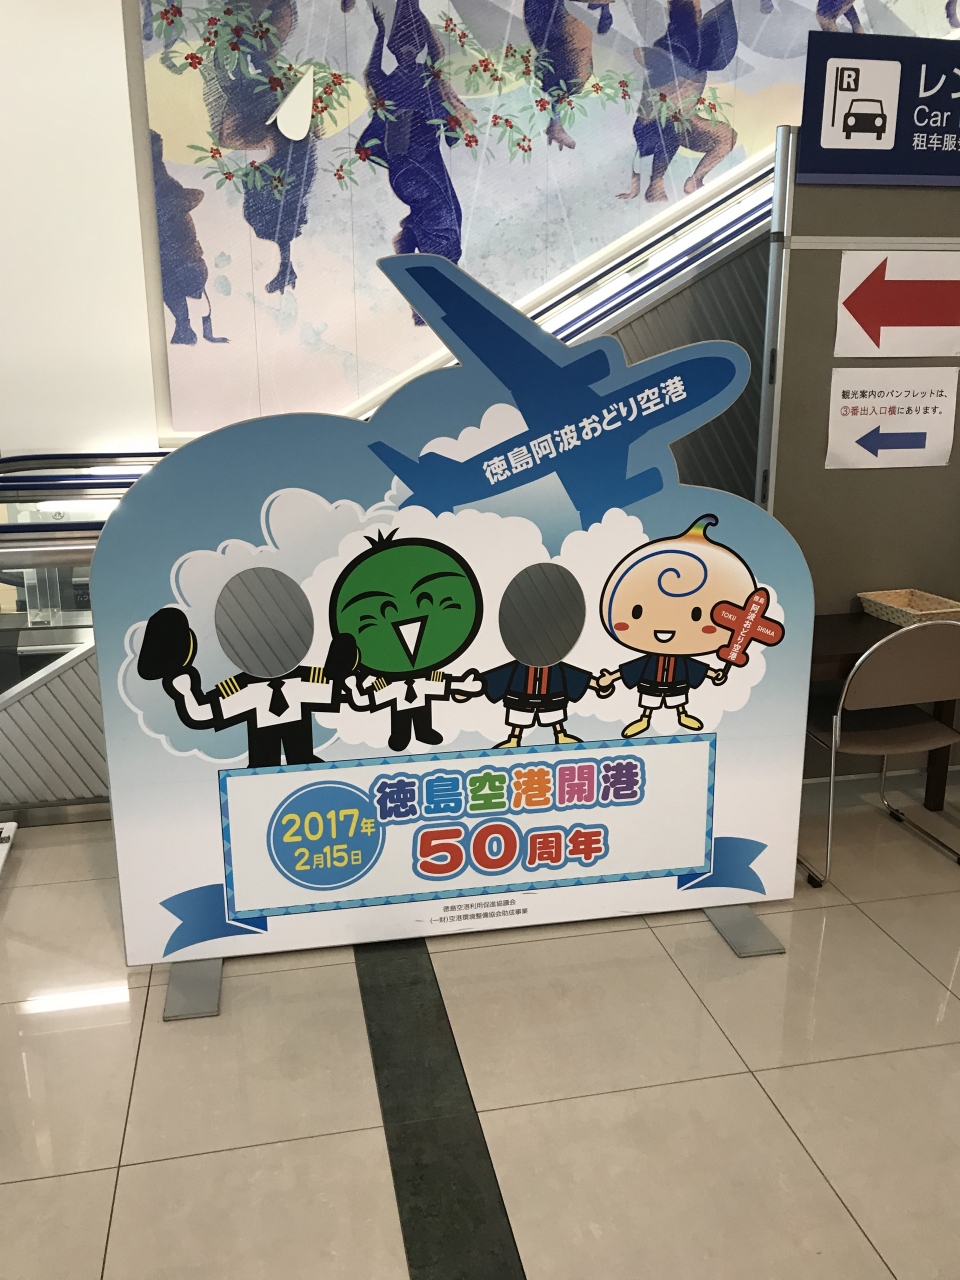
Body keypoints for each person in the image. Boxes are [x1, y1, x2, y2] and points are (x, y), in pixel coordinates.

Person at [138, 567, 354, 767]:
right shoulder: (242, 688)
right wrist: (185, 692)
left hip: (305, 771)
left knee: (301, 759)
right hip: (257, 775)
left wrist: (349, 675)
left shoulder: (306, 680)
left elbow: (345, 694)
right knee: (264, 764)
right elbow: (202, 714)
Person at [596, 515, 757, 735]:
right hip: (651, 683)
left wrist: (714, 674)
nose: (665, 626)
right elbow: (632, 668)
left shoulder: (683, 659)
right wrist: (611, 678)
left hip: (678, 683)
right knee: (649, 701)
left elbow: (696, 668)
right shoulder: (650, 659)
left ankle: (682, 714)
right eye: (637, 612)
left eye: (696, 615)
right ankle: (644, 719)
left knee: (678, 699)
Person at [328, 530, 484, 751]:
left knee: (422, 714)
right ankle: (400, 734)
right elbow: (369, 697)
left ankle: (424, 731)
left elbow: (439, 681)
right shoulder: (386, 682)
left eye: (426, 599)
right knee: (400, 720)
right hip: (393, 690)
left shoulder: (427, 676)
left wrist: (460, 684)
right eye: (384, 609)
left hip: (419, 689)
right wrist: (354, 687)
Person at [619, 0, 738, 204]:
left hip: (682, 118)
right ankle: (656, 183)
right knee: (668, 127)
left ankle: (695, 180)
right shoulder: (677, 46)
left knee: (726, 137)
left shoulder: (694, 49)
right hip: (659, 121)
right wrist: (636, 186)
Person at [483, 562, 612, 748]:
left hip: (552, 697)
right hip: (521, 697)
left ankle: (560, 734)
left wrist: (597, 684)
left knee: (553, 715)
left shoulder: (556, 661)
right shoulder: (519, 662)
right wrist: (475, 685)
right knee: (519, 717)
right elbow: (499, 676)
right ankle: (514, 739)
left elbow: (574, 675)